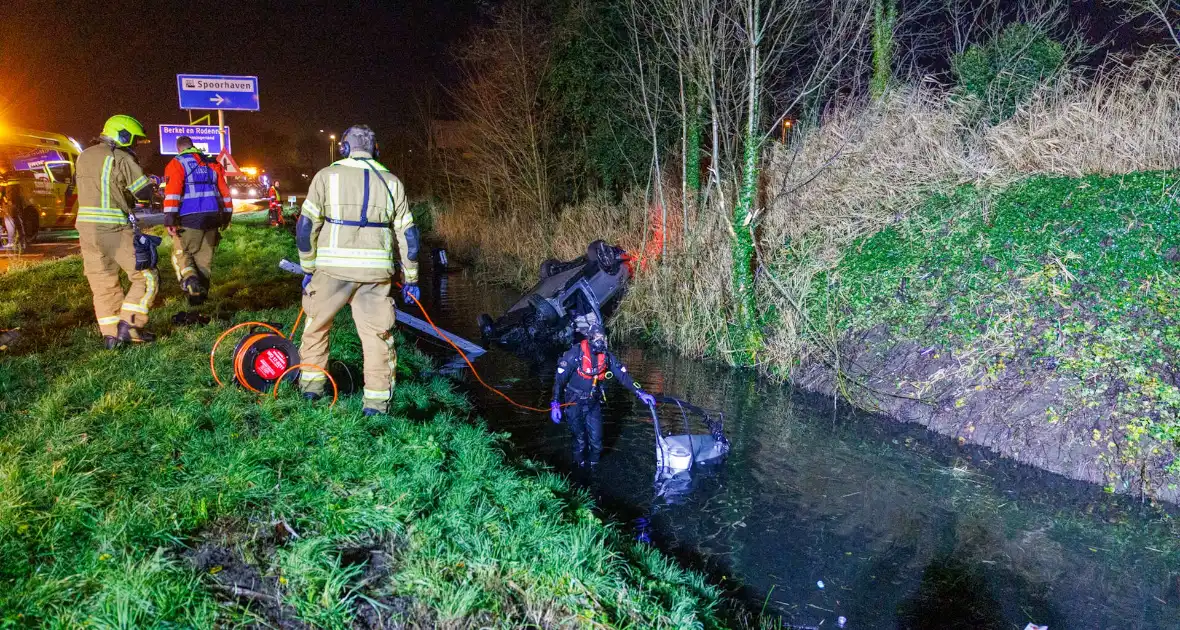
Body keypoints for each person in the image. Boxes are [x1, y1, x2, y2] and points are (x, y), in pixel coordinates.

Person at [296, 125, 420, 416]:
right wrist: (411, 277)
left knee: (316, 327)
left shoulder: (326, 177)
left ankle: (312, 390)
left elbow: (305, 228)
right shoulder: (392, 182)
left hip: (331, 270)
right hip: (376, 274)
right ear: (376, 150)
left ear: (344, 148)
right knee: (377, 337)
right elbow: (409, 236)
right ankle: (376, 404)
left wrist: (307, 267)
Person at [75, 115, 159, 349]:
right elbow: (143, 192)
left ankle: (112, 336)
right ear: (123, 135)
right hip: (112, 227)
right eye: (133, 139)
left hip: (86, 230)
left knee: (103, 283)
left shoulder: (84, 155)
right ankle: (131, 326)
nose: (133, 145)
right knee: (147, 275)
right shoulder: (120, 156)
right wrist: (147, 187)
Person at [551, 324, 656, 468]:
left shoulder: (607, 357)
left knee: (597, 442)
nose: (601, 342)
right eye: (597, 338)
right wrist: (555, 403)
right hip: (573, 402)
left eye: (603, 338)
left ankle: (594, 467)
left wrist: (641, 392)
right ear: (589, 338)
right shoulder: (574, 355)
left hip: (593, 402)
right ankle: (579, 467)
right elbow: (559, 380)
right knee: (580, 440)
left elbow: (623, 376)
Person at [162, 136, 233, 306]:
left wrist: (169, 218)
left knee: (181, 252)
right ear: (192, 146)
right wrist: (227, 216)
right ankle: (200, 298)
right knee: (204, 260)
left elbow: (172, 192)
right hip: (213, 217)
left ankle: (190, 279)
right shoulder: (211, 163)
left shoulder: (177, 163)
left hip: (189, 218)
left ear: (179, 148)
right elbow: (225, 192)